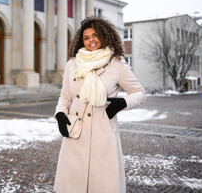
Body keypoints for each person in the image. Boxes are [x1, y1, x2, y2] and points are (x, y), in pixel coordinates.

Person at [54, 15, 146, 193]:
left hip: (102, 135)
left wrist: (122, 102)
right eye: (86, 38)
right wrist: (60, 114)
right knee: (73, 185)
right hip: (76, 133)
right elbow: (65, 95)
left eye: (95, 35)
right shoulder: (73, 64)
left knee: (102, 185)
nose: (91, 41)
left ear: (104, 35)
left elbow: (140, 93)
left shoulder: (117, 64)